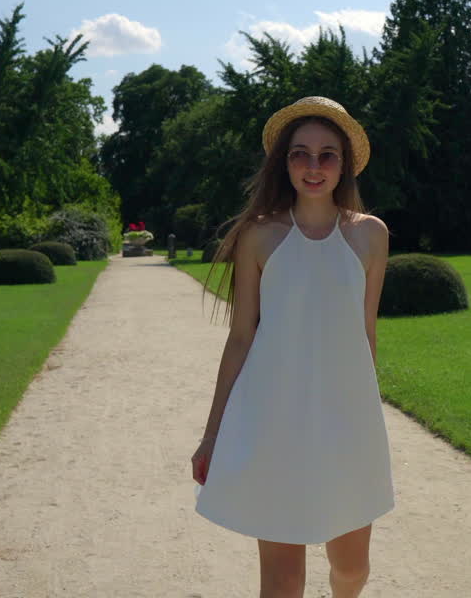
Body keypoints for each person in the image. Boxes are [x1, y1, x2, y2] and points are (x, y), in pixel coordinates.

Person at [191, 96, 395, 598]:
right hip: (273, 422)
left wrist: (368, 422)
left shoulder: (371, 237)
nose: (313, 166)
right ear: (283, 163)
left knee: (352, 571)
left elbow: (366, 334)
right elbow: (241, 339)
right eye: (300, 153)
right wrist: (213, 434)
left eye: (327, 154)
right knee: (283, 584)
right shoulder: (259, 236)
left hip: (347, 425)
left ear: (344, 164)